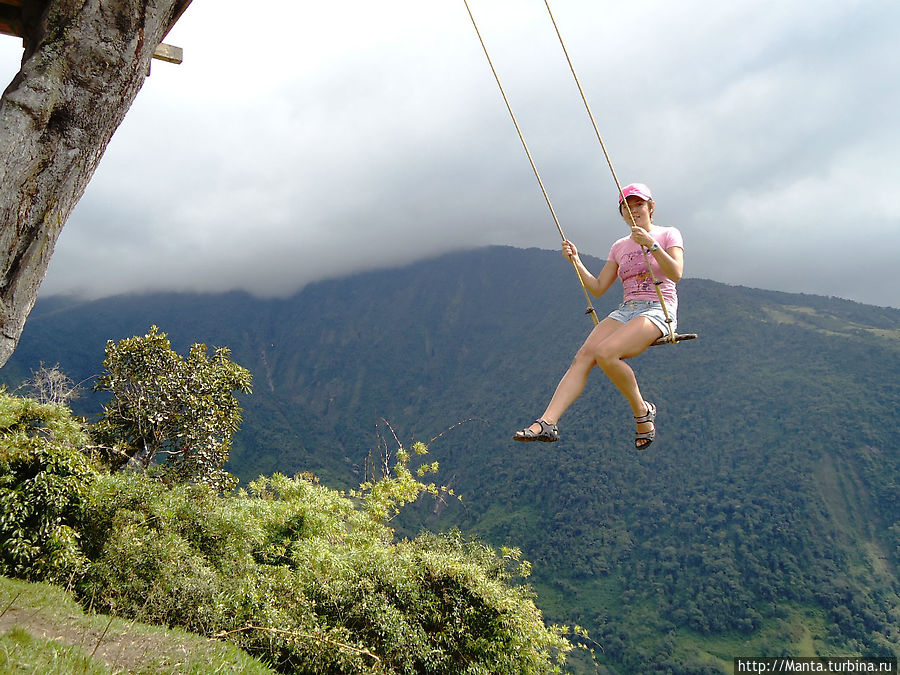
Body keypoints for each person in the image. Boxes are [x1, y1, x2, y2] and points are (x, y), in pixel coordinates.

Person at [513, 182, 684, 450]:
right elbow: (598, 288)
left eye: (639, 204)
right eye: (627, 207)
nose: (634, 210)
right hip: (627, 309)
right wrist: (576, 261)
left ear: (651, 208)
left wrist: (651, 244)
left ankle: (642, 411)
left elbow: (675, 273)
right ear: (622, 215)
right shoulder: (619, 246)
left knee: (605, 353)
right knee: (584, 356)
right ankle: (548, 422)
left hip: (657, 309)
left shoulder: (668, 234)